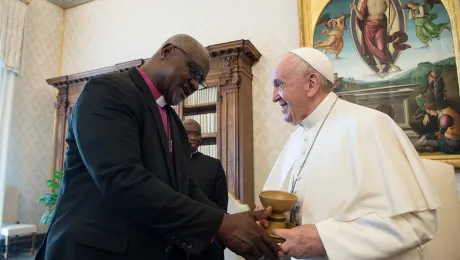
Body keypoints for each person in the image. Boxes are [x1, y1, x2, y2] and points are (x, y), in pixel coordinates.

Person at [35, 34, 280, 260]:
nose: (195, 85)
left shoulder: (174, 122)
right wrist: (219, 225)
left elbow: (185, 187)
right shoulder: (108, 91)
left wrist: (230, 220)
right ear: (166, 51)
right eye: (194, 71)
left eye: (201, 82)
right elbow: (123, 180)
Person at [260, 47, 441, 259]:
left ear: (311, 83)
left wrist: (324, 240)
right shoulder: (296, 138)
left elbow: (418, 224)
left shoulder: (371, 125)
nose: (274, 97)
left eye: (279, 85)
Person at [183, 118, 228, 260]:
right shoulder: (170, 162)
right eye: (188, 133)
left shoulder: (213, 165)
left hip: (208, 242)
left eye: (197, 134)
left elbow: (221, 205)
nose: (193, 138)